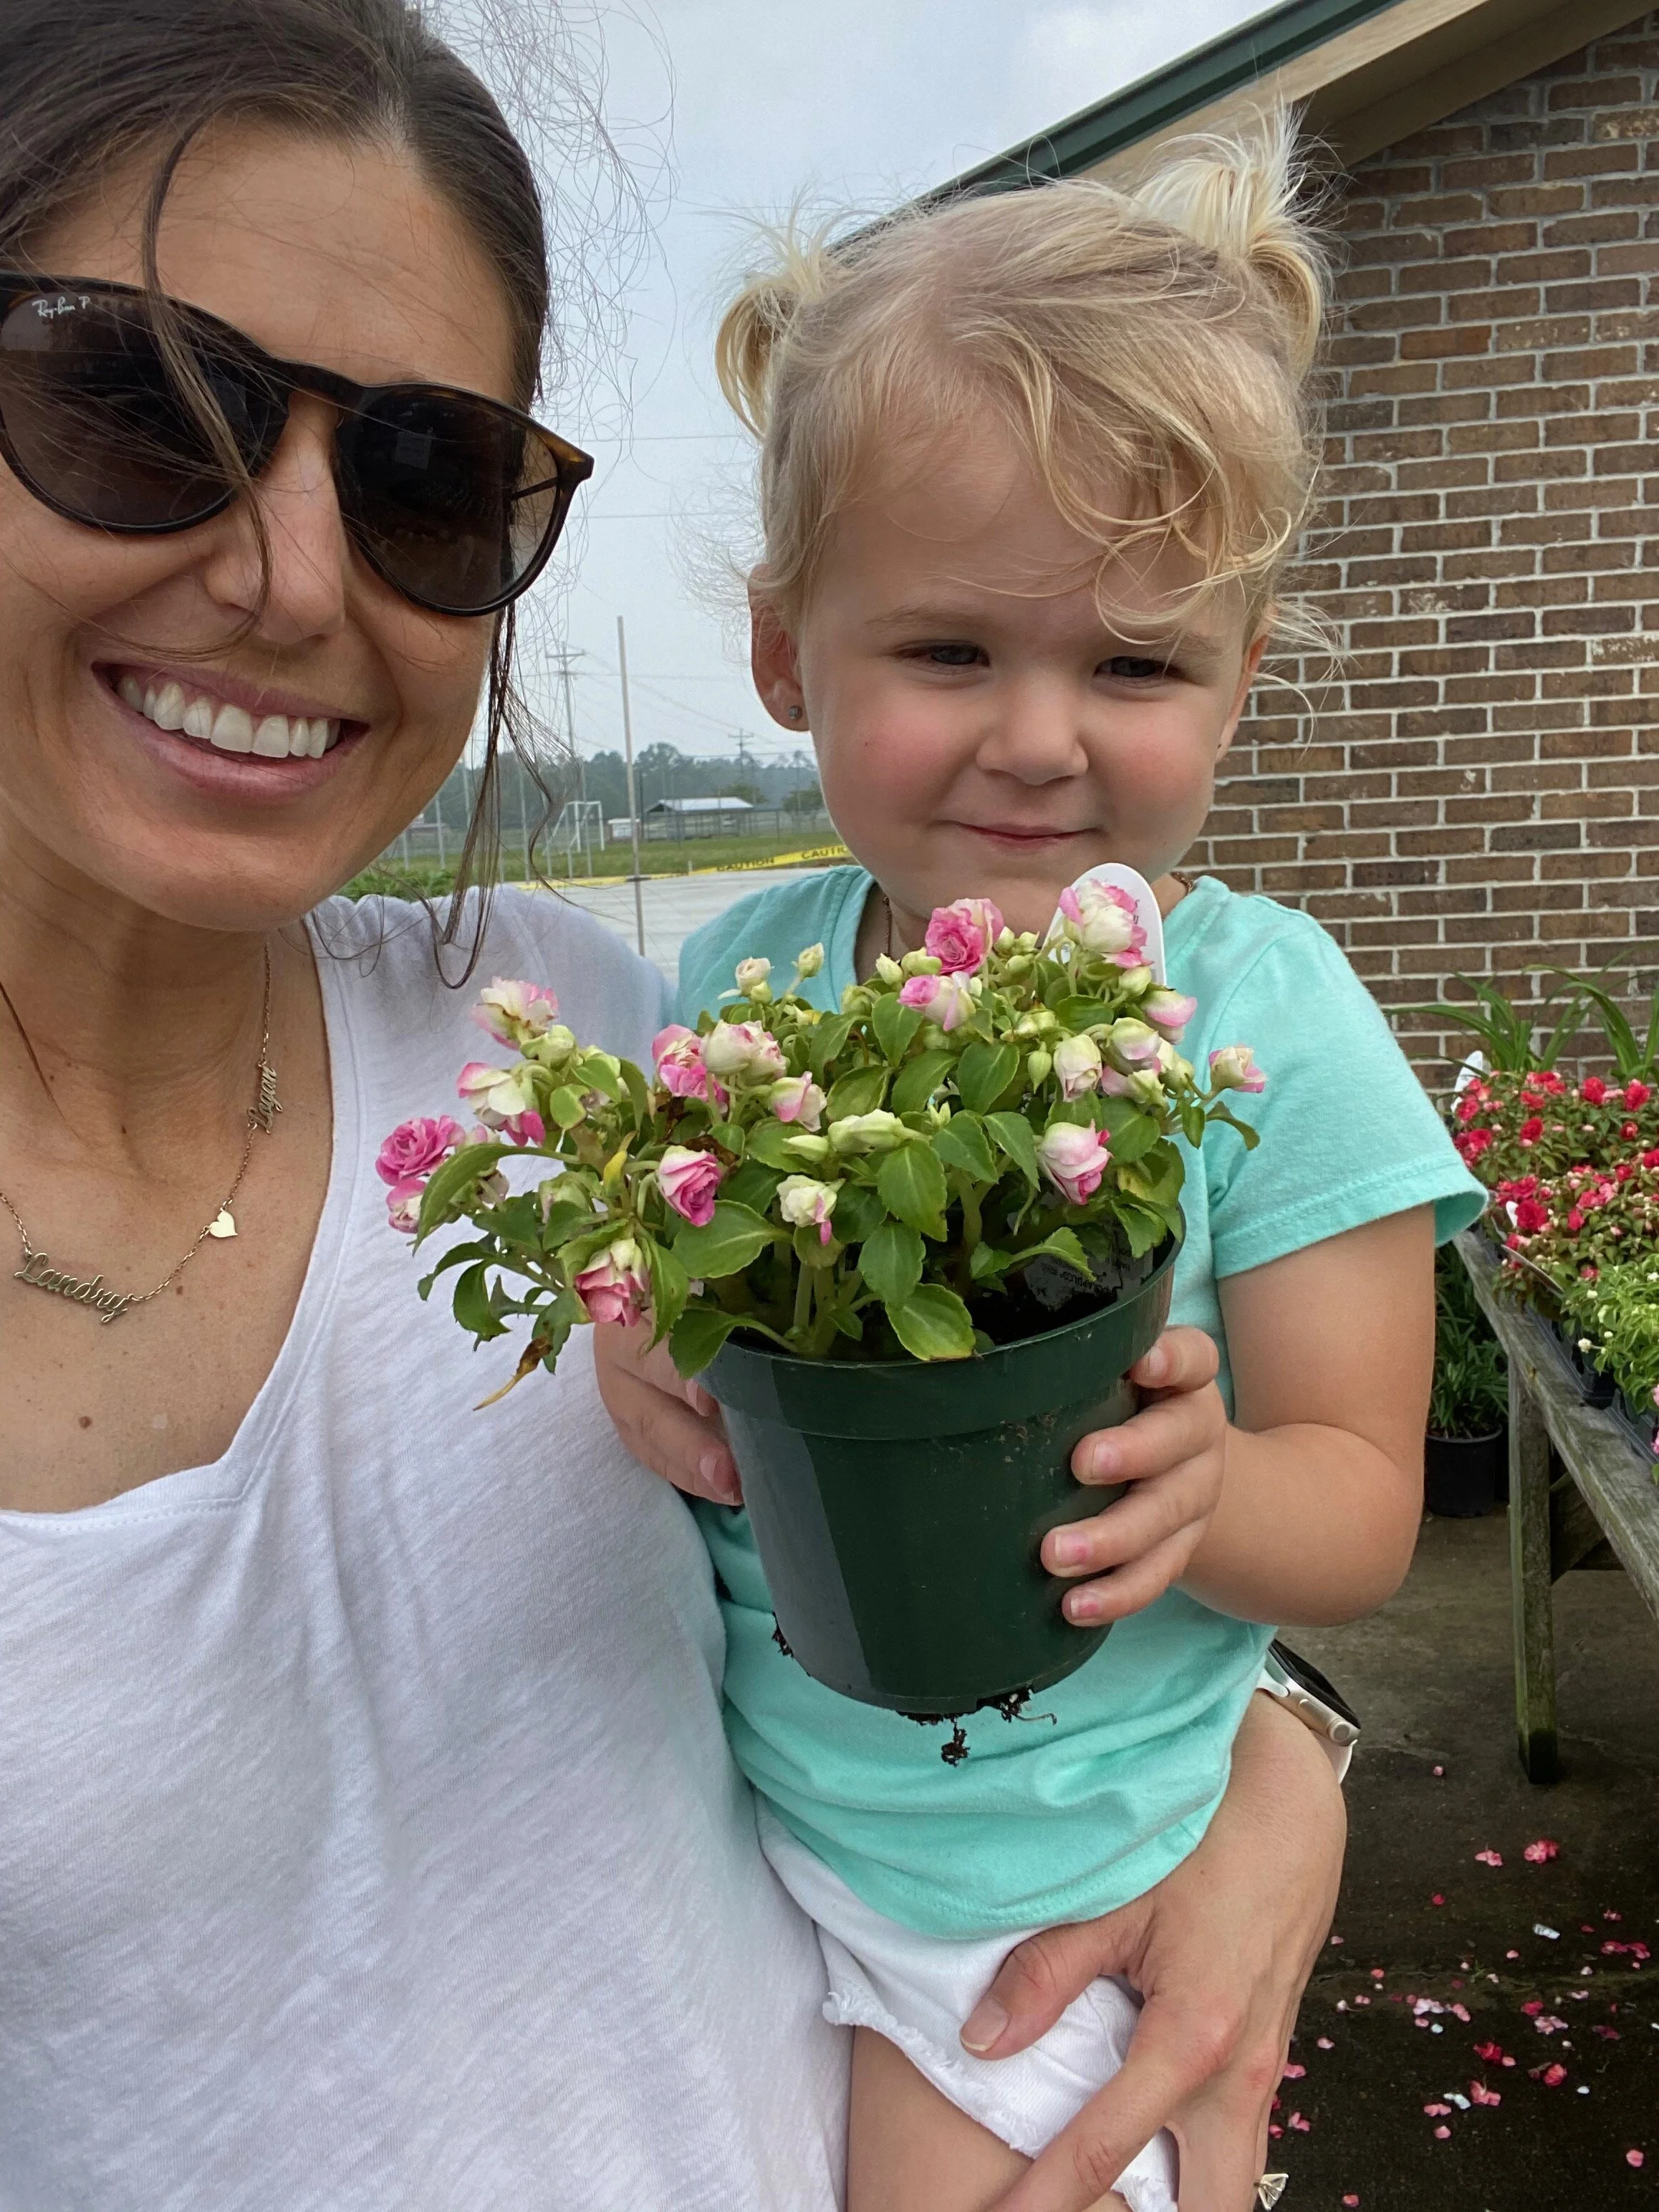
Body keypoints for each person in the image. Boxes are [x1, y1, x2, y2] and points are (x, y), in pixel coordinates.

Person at [0, 6, 1348, 2206]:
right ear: (781, 648)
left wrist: (1279, 1763)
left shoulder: (593, 1031)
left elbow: (1021, 1484)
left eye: (425, 473)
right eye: (136, 408)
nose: (290, 572)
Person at [595, 119, 1486, 2211]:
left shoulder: (1262, 1010)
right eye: (948, 651)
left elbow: (1362, 1500)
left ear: (1241, 682)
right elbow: (661, 1308)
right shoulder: (739, 977)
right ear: (780, 649)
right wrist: (630, 1349)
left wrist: (1208, 1488)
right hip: (775, 1837)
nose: (1038, 736)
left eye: (1138, 663)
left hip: (1049, 1896)